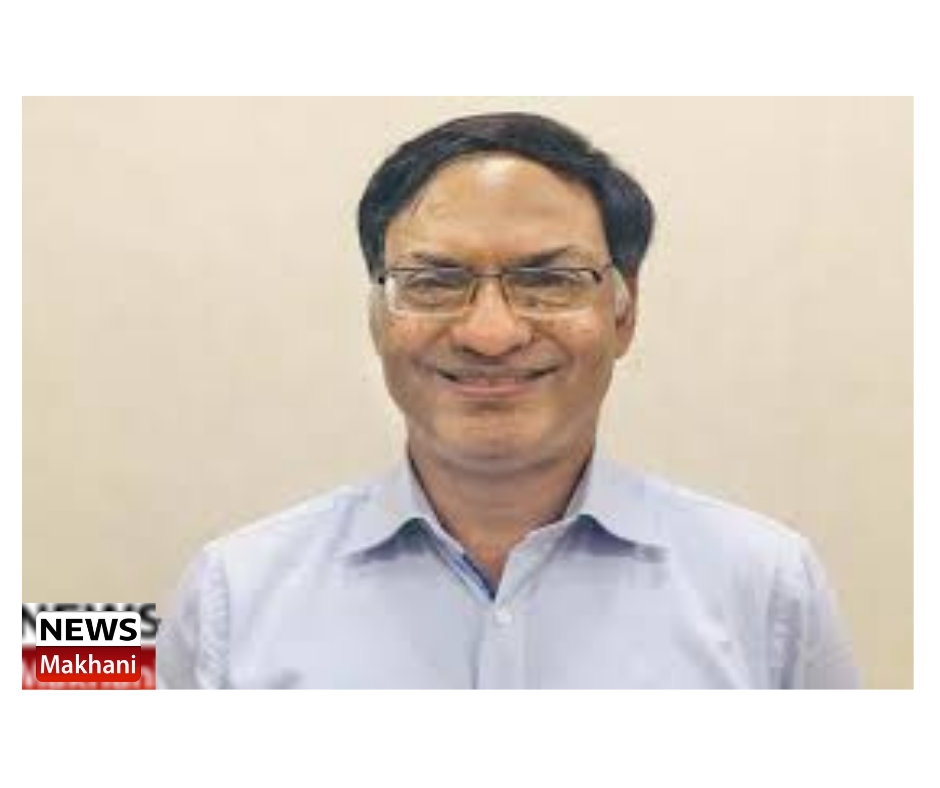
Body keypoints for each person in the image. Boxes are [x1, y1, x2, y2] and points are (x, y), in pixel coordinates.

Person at [156, 112, 859, 688]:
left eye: (549, 280)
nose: (490, 334)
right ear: (376, 318)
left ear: (624, 312)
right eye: (434, 282)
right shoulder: (230, 594)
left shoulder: (768, 588)